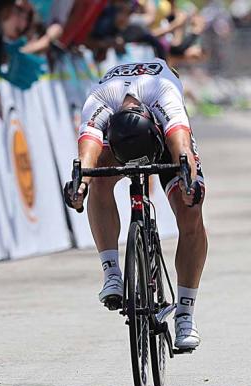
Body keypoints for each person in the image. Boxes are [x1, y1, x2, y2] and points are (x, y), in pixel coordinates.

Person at [64, 58, 207, 351]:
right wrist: (80, 186)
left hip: (162, 141)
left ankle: (185, 313)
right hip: (119, 137)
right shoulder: (100, 99)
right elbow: (87, 154)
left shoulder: (164, 94)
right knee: (97, 180)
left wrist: (189, 184)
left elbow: (181, 148)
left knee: (191, 210)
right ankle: (112, 272)